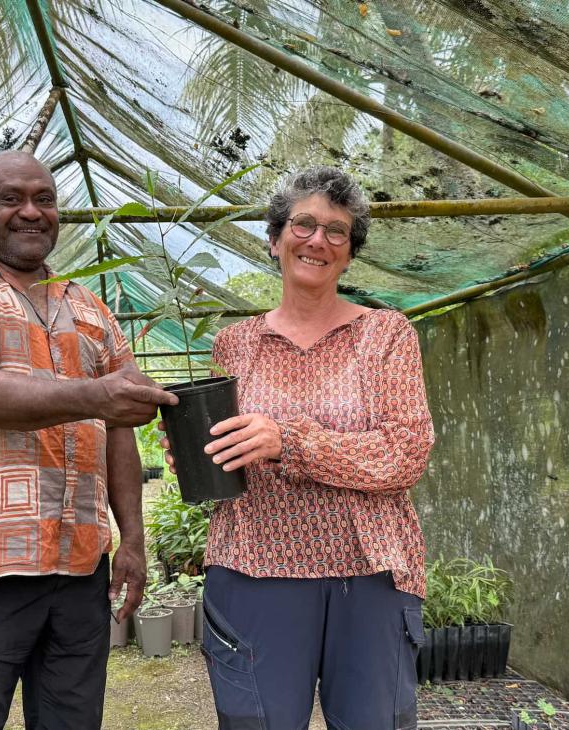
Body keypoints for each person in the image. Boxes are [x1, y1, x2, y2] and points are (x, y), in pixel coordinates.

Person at [0, 150, 177, 730]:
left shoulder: (88, 307)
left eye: (44, 199)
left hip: (80, 565)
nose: (31, 212)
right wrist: (98, 395)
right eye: (11, 199)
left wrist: (132, 541)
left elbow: (120, 427)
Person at [163, 166, 435, 730]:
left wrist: (289, 442)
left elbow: (407, 453)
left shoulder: (386, 334)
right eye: (304, 224)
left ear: (349, 252)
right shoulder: (237, 343)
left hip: (368, 576)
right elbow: (225, 444)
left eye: (337, 231)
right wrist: (200, 453)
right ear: (274, 239)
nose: (318, 240)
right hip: (254, 568)